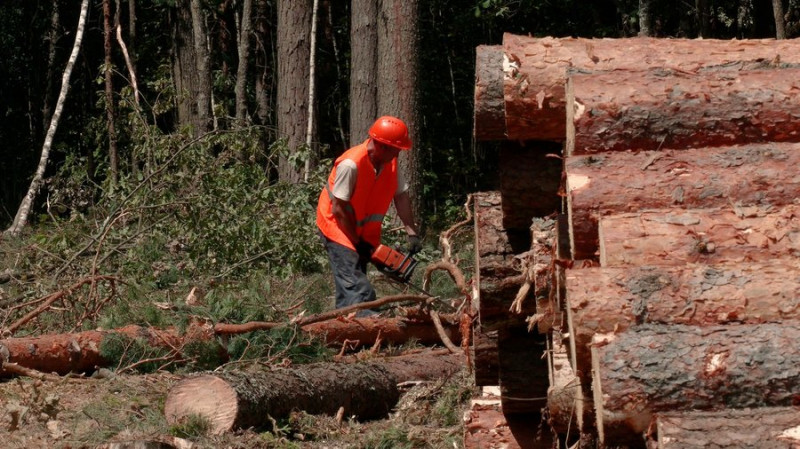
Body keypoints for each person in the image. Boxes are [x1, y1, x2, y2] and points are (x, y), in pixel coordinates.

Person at [316, 116, 422, 315]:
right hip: (336, 227)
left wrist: (411, 231)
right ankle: (370, 324)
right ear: (383, 146)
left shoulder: (390, 163)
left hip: (362, 232)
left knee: (353, 280)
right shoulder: (351, 164)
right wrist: (358, 243)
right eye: (397, 149)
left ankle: (348, 327)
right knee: (356, 285)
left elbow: (401, 196)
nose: (399, 153)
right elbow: (339, 209)